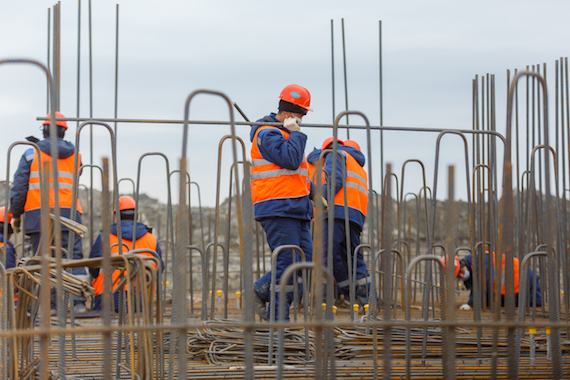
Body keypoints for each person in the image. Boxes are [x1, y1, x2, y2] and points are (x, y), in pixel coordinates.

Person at [10, 112, 88, 313]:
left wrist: (16, 215)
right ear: (64, 131)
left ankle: (51, 306)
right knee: (72, 257)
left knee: (44, 258)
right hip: (69, 215)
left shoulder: (30, 153)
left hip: (39, 215)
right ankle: (78, 303)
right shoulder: (76, 155)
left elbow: (19, 189)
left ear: (44, 130)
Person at [251, 84, 315, 321]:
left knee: (304, 263)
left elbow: (297, 174)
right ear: (290, 113)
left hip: (297, 209)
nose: (303, 119)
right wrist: (296, 133)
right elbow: (289, 160)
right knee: (286, 264)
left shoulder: (287, 136)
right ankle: (278, 321)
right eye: (302, 114)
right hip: (277, 207)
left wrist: (315, 195)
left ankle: (259, 290)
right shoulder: (267, 133)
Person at [307, 138, 370, 308]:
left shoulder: (336, 154)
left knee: (323, 256)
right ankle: (366, 300)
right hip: (355, 215)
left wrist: (321, 198)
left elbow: (334, 179)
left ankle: (323, 302)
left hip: (335, 211)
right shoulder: (357, 164)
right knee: (353, 258)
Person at [89, 195, 163, 311]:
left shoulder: (105, 238)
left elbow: (93, 268)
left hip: (108, 299)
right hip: (140, 300)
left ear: (116, 215)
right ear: (136, 214)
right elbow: (159, 269)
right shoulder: (151, 239)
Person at [442, 253, 542, 310]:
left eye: (461, 272)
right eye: (458, 276)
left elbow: (483, 283)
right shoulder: (471, 266)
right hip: (512, 286)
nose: (461, 276)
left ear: (462, 264)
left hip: (523, 280)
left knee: (533, 303)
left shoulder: (479, 260)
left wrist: (471, 303)